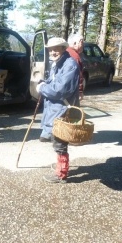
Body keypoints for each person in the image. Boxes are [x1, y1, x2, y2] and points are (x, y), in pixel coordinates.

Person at [36, 37, 80, 183]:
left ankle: (61, 174)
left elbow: (60, 90)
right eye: (50, 49)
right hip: (55, 109)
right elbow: (54, 82)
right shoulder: (58, 63)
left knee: (60, 142)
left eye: (56, 49)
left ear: (63, 48)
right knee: (57, 141)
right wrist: (45, 82)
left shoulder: (70, 65)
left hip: (62, 111)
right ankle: (61, 169)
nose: (53, 52)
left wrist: (42, 88)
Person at [67, 34, 85, 100]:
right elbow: (78, 74)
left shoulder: (64, 52)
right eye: (82, 42)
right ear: (75, 43)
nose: (83, 45)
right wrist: (80, 91)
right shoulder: (75, 56)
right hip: (71, 90)